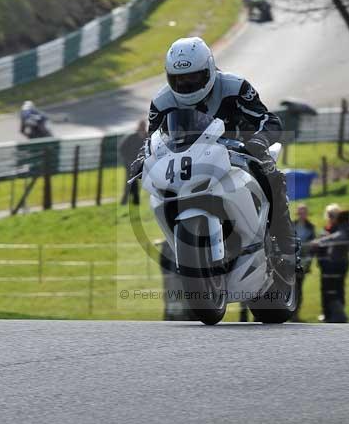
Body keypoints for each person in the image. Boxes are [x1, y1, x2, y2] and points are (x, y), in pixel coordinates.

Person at [128, 36, 299, 275]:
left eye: (193, 77)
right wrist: (140, 160)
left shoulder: (235, 87)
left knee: (272, 175)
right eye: (179, 79)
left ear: (208, 69)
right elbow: (152, 138)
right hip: (191, 160)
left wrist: (258, 141)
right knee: (161, 191)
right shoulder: (162, 101)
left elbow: (267, 119)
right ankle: (187, 249)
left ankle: (286, 243)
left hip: (239, 152)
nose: (186, 85)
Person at [313, 204, 349, 323]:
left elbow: (334, 239)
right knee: (331, 289)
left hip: (335, 264)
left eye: (333, 215)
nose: (330, 217)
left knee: (333, 289)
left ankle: (337, 315)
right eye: (329, 215)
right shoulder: (337, 229)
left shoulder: (341, 231)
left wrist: (319, 242)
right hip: (329, 263)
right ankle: (330, 314)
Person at [292, 203, 316, 322]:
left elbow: (313, 246)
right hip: (290, 261)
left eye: (304, 212)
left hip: (303, 263)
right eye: (300, 212)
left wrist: (309, 260)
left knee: (299, 288)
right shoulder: (292, 225)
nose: (302, 214)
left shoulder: (311, 227)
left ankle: (295, 315)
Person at [119, 120, 147, 205]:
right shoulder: (131, 137)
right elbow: (122, 148)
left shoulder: (146, 137)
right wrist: (127, 160)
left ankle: (135, 200)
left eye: (144, 126)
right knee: (130, 182)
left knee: (135, 182)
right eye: (141, 126)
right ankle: (126, 201)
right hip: (129, 163)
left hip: (139, 164)